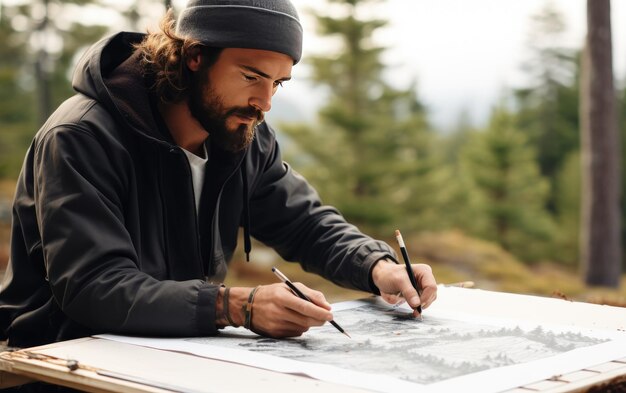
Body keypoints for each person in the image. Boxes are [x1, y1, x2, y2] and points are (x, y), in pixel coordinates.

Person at [0, 0, 437, 350]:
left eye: (278, 83)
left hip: (177, 357)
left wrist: (376, 265)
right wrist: (237, 306)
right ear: (194, 56)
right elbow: (95, 286)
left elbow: (304, 222)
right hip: (64, 364)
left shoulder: (239, 134)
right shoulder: (82, 137)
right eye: (251, 76)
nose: (264, 102)